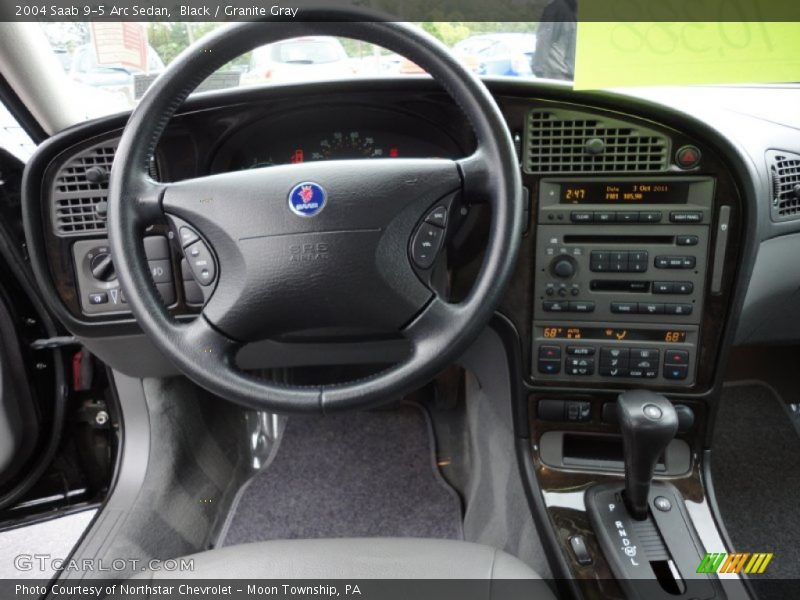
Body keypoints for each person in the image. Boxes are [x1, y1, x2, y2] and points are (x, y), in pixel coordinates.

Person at [532, 0, 577, 80]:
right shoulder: (571, 10)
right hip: (567, 73)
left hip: (552, 71)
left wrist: (537, 67)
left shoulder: (554, 9)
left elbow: (544, 40)